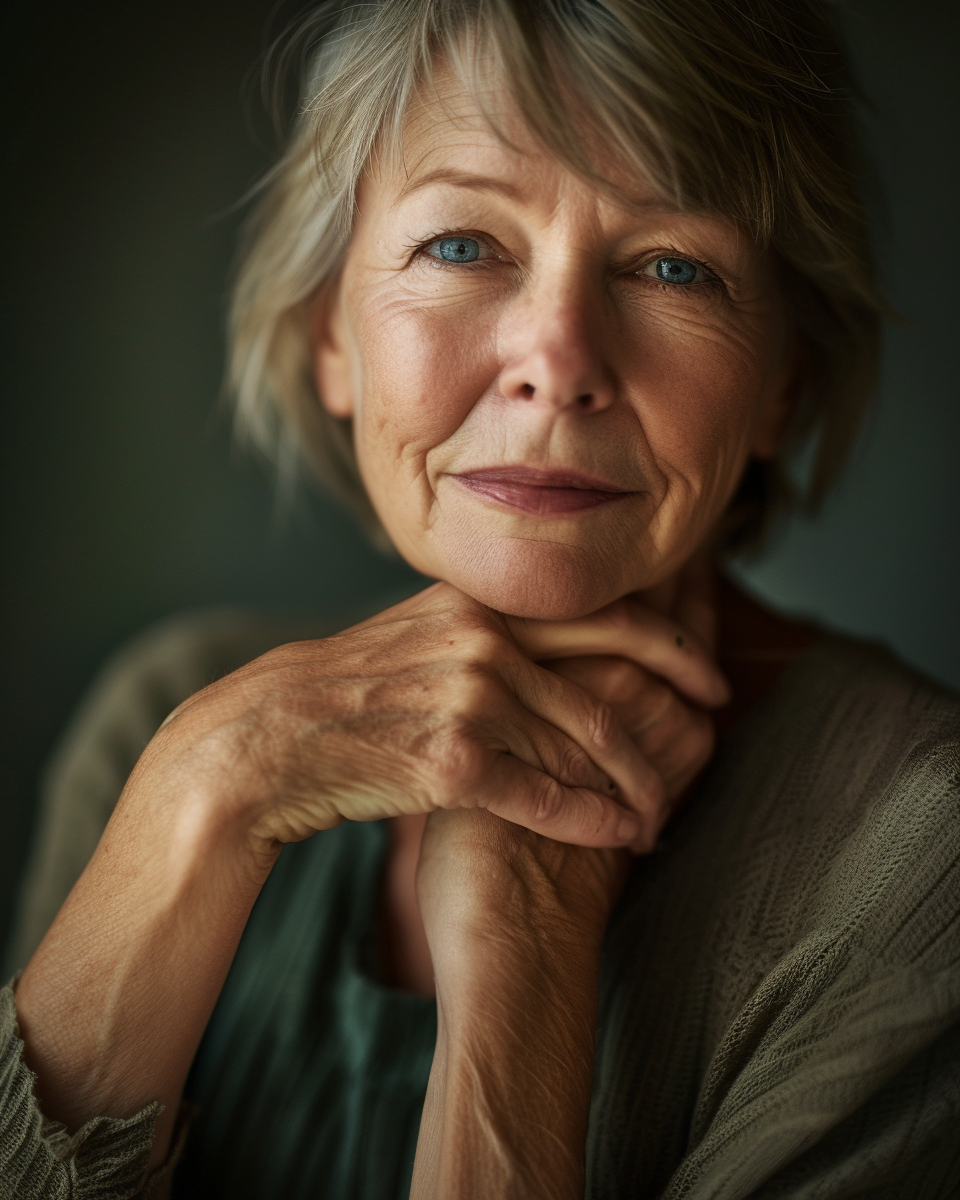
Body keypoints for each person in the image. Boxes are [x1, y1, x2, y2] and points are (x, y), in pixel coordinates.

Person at [2, 0, 958, 1197]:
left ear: (779, 387)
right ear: (330, 339)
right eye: (462, 244)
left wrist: (523, 948)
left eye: (673, 265)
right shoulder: (167, 708)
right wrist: (210, 779)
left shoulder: (927, 852)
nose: (556, 356)